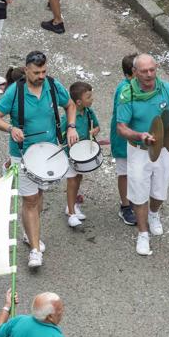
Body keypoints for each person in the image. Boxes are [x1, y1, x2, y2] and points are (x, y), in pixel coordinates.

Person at [0, 51, 78, 268]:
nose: (41, 76)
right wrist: (11, 128)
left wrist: (72, 126)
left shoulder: (53, 86)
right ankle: (35, 250)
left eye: (44, 71)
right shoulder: (14, 92)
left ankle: (30, 234)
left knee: (38, 196)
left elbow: (71, 105)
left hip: (48, 152)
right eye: (36, 72)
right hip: (23, 155)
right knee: (29, 200)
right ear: (26, 70)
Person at [116, 53, 169, 256]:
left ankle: (154, 214)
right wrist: (139, 135)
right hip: (138, 150)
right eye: (144, 71)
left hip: (163, 149)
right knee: (138, 193)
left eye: (152, 70)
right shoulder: (127, 94)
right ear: (135, 72)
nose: (149, 74)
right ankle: (143, 234)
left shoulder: (166, 89)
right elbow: (122, 128)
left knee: (160, 190)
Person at [62, 82, 100, 228]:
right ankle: (71, 213)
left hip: (83, 155)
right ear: (78, 101)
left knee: (78, 178)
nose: (92, 99)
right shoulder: (68, 117)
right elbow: (60, 132)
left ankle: (72, 205)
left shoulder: (89, 112)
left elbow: (97, 126)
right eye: (89, 97)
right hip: (71, 154)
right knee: (72, 182)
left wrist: (95, 131)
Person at [111, 54, 138, 226]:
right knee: (125, 173)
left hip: (136, 139)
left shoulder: (139, 86)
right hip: (124, 141)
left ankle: (135, 200)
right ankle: (125, 206)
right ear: (132, 73)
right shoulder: (125, 90)